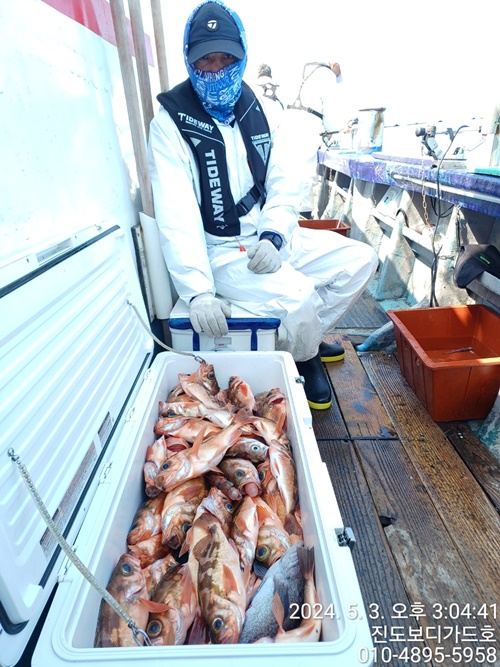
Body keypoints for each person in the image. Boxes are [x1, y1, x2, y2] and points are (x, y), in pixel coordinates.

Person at [147, 0, 378, 410]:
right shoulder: (169, 125)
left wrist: (274, 236)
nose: (217, 70)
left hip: (269, 238)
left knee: (360, 260)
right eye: (206, 61)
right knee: (299, 297)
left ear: (242, 57)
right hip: (220, 250)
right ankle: (304, 356)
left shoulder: (266, 110)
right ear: (189, 61)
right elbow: (175, 213)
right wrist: (198, 291)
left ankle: (301, 337)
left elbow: (284, 182)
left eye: (226, 59)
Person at [286, 60, 345, 218]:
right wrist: (332, 133)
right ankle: (303, 219)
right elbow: (331, 115)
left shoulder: (301, 69)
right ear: (334, 65)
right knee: (306, 178)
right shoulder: (327, 74)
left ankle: (287, 216)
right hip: (308, 127)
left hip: (287, 124)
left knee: (288, 176)